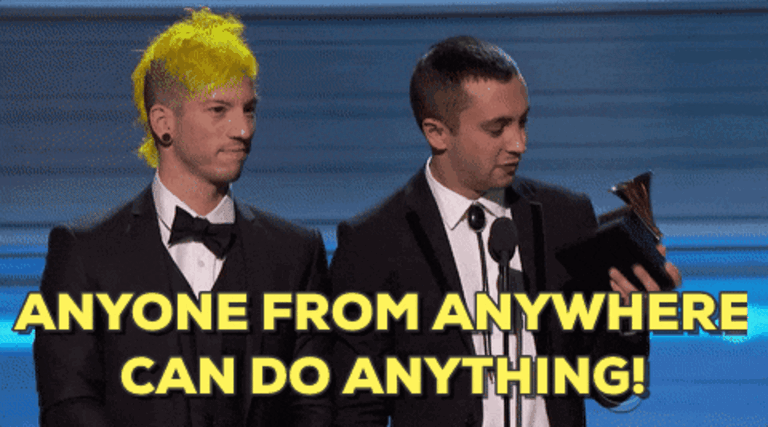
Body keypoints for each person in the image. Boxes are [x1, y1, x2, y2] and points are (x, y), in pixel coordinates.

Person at [329, 36, 681, 427]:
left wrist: (630, 320)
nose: (519, 143)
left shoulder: (565, 218)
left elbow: (611, 388)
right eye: (497, 129)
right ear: (437, 132)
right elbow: (358, 409)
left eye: (522, 122)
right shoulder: (373, 243)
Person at [33, 9, 332, 427]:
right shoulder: (85, 252)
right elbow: (69, 405)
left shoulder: (295, 253)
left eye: (248, 110)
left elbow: (314, 405)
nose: (243, 130)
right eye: (219, 110)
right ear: (163, 123)